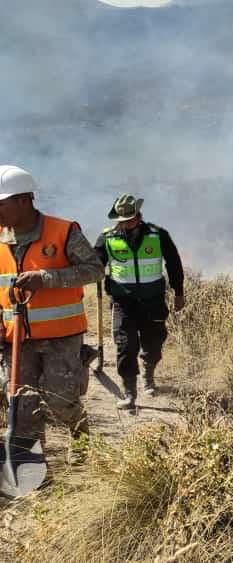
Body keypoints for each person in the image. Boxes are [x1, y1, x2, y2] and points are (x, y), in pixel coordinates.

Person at [0, 165, 104, 463]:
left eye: (1, 204)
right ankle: (33, 470)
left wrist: (46, 278)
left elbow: (95, 270)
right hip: (15, 339)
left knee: (60, 402)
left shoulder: (63, 231)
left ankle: (80, 433)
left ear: (24, 200)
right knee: (23, 407)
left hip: (62, 337)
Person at [94, 194, 184, 409]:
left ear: (139, 216)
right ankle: (129, 392)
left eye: (130, 219)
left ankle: (149, 373)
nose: (126, 223)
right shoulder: (107, 238)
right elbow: (94, 264)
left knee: (154, 343)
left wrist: (178, 292)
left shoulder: (158, 235)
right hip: (123, 302)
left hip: (153, 300)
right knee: (125, 346)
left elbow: (174, 263)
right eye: (122, 220)